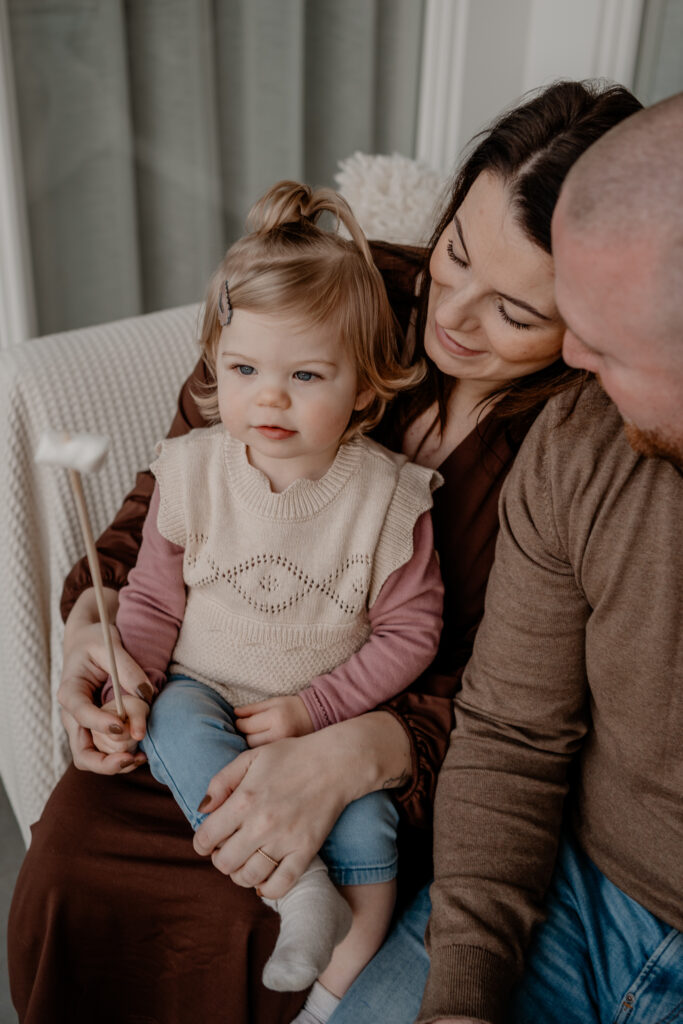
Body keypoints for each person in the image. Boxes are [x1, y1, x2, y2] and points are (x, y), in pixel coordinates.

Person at [8, 80, 642, 1024]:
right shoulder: (333, 291)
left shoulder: (580, 445)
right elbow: (162, 511)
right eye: (456, 253)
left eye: (515, 312)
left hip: (389, 768)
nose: (454, 315)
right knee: (71, 866)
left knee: (278, 923)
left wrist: (361, 751)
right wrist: (93, 631)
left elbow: (531, 712)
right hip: (198, 711)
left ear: (591, 324)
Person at [92, 178, 444, 1004]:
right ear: (215, 363)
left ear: (364, 388)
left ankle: (335, 996)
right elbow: (151, 601)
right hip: (204, 687)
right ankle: (300, 893)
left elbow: (411, 633)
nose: (269, 396)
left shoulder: (390, 499)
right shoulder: (190, 471)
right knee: (173, 723)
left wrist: (315, 711)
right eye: (244, 368)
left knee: (369, 821)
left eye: (307, 374)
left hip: (328, 716)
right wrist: (128, 685)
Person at [419, 93, 683, 1024]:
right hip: (571, 889)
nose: (569, 355)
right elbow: (513, 735)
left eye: (601, 339)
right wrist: (462, 991)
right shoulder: (581, 441)